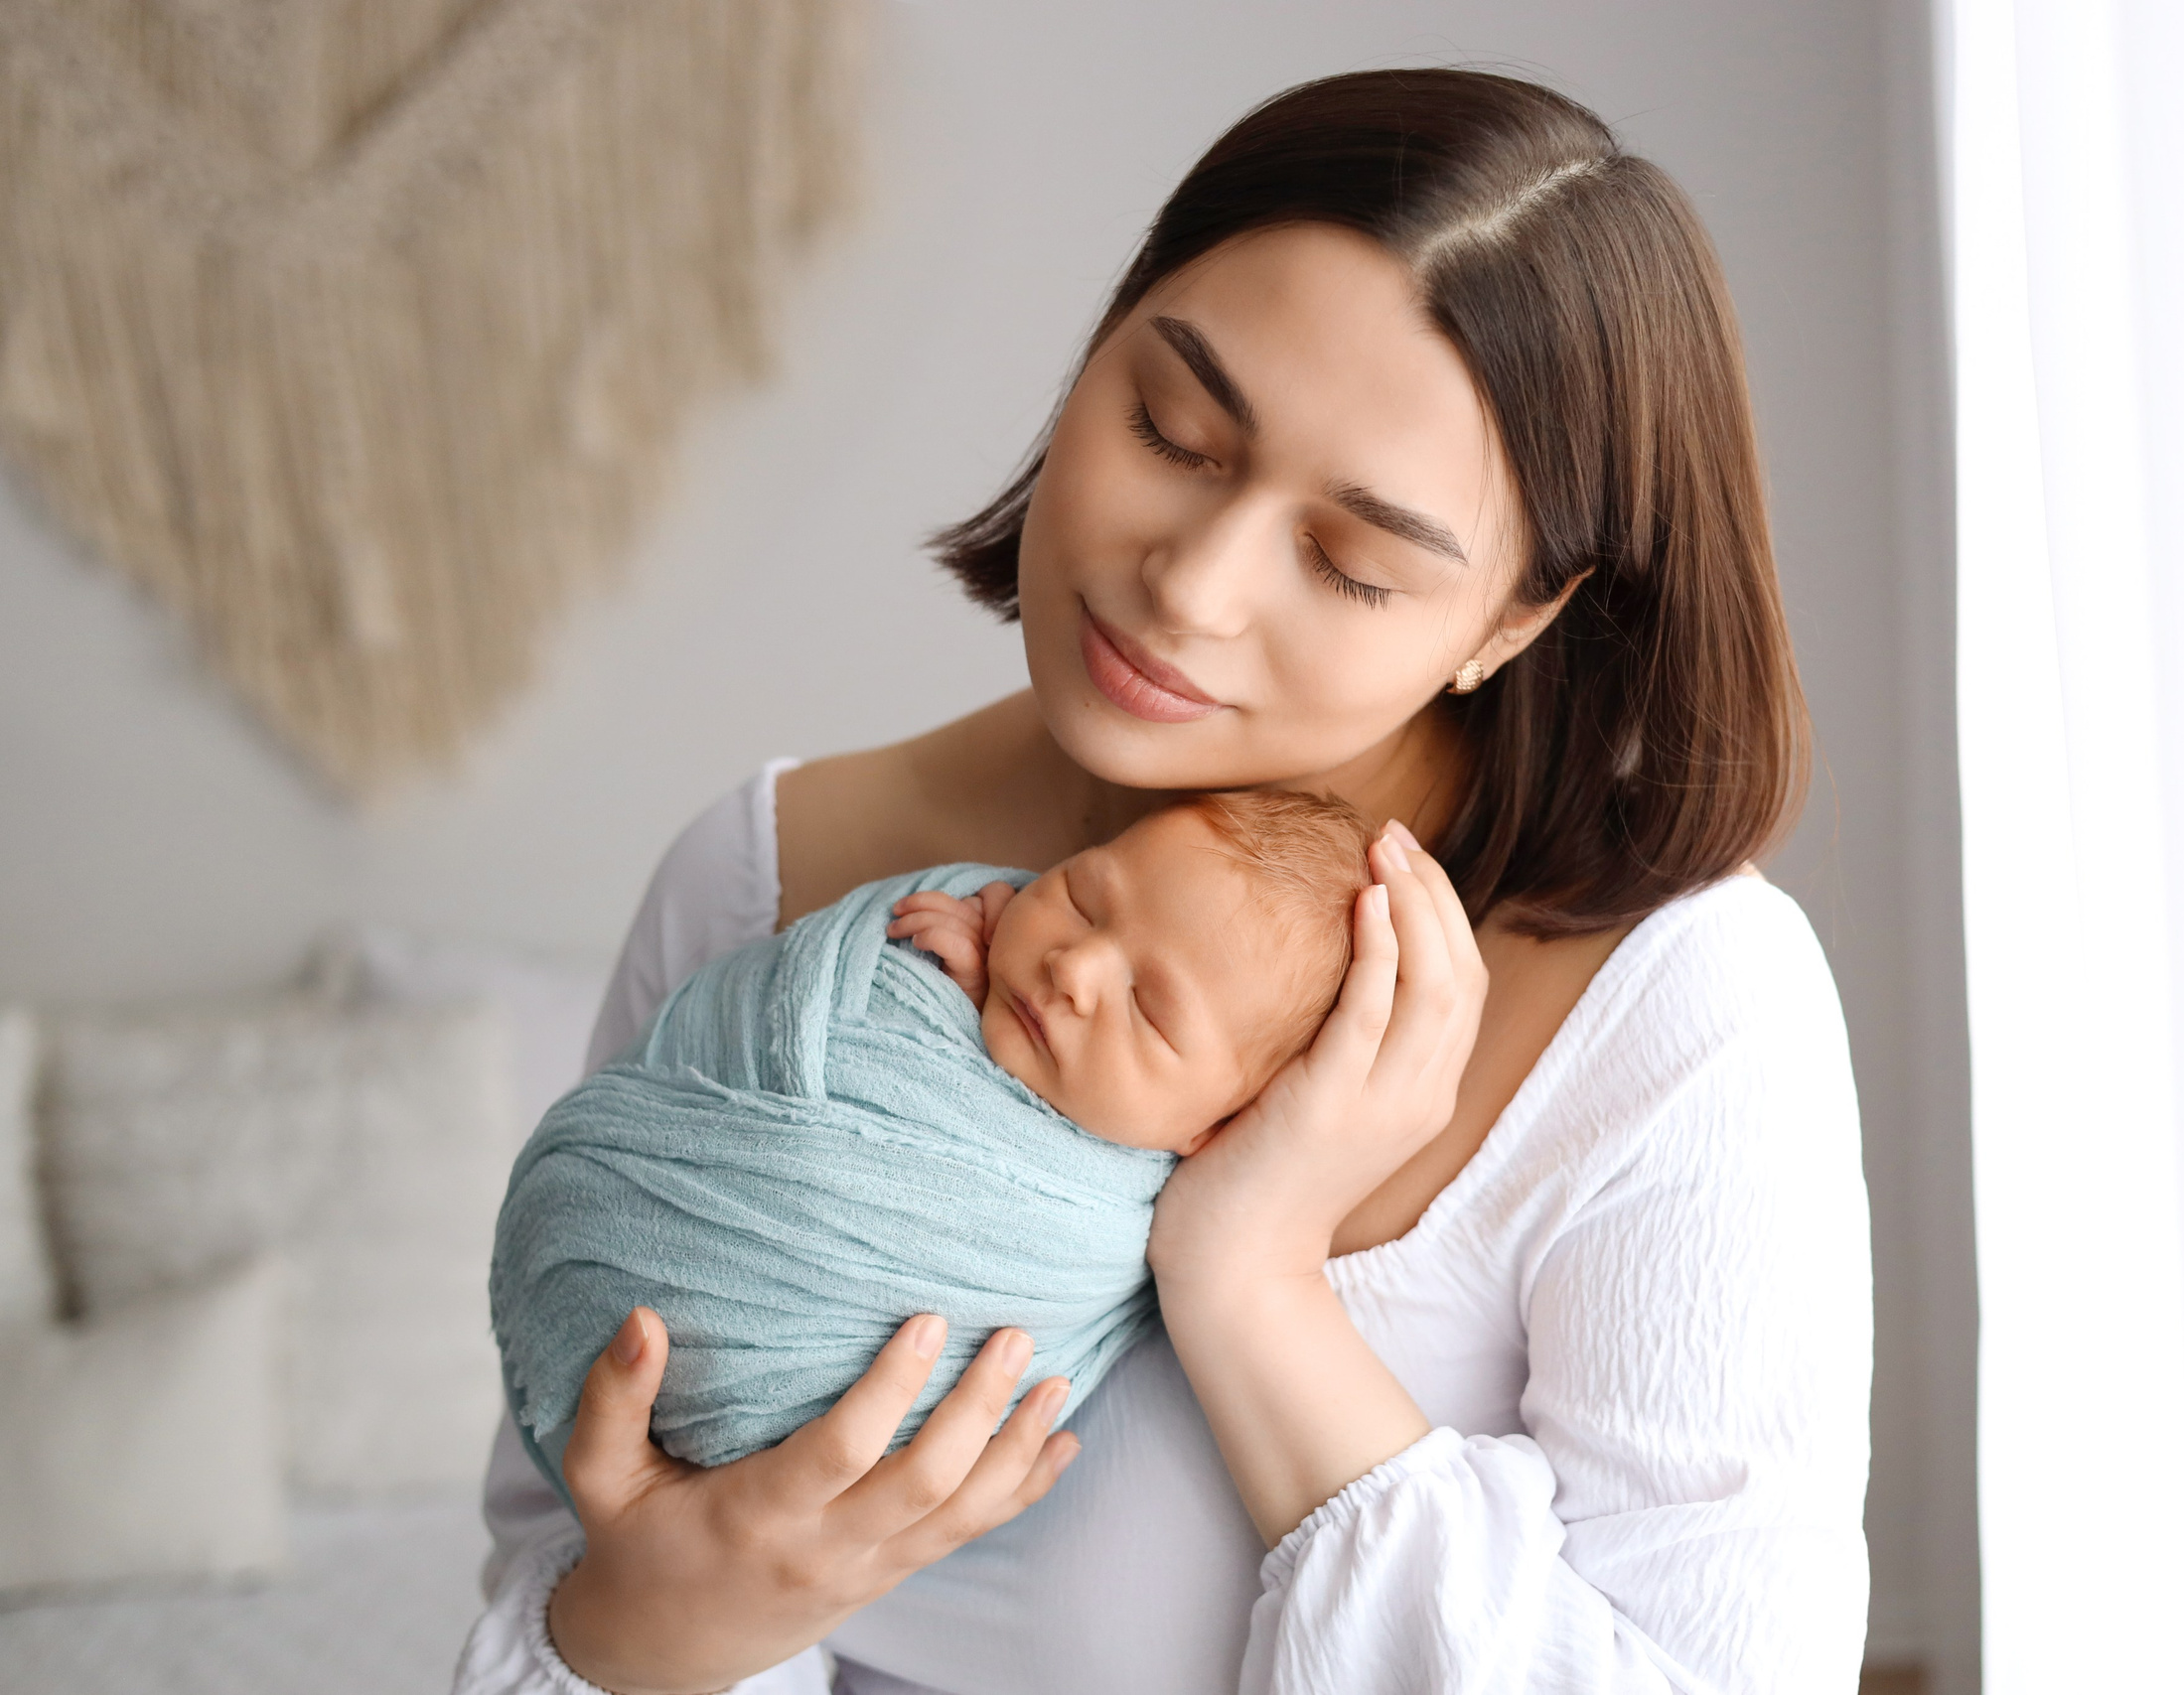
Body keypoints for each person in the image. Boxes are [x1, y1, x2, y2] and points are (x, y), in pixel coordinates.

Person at [456, 67, 1870, 1695]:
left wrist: (1252, 1276)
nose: (1189, 588)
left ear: (1514, 620)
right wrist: (666, 1629)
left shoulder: (1671, 1006)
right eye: (1171, 431)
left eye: (1352, 561)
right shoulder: (771, 877)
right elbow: (558, 1552)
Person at [489, 793, 1370, 1497]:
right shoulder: (950, 932)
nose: (1075, 968)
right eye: (1080, 898)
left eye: (1149, 1008)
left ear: (1210, 1131)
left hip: (766, 1405)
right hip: (593, 1239)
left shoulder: (1106, 1222)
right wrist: (958, 987)